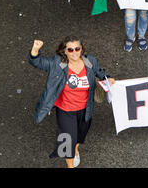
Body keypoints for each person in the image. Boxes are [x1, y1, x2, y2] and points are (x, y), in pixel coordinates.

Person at [28, 36, 116, 168]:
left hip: (86, 109)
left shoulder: (90, 61)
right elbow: (38, 62)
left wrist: (108, 78)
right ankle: (70, 164)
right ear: (64, 51)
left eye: (77, 48)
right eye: (70, 49)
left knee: (80, 136)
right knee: (67, 142)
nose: (74, 52)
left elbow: (100, 72)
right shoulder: (57, 63)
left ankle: (75, 149)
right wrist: (35, 50)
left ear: (81, 49)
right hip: (66, 110)